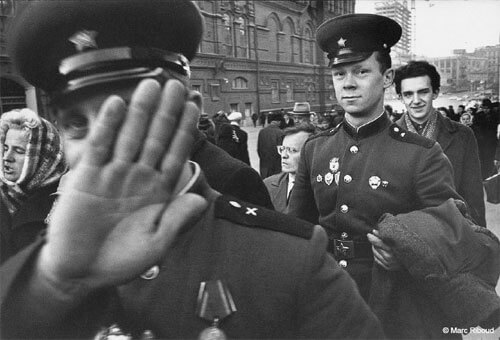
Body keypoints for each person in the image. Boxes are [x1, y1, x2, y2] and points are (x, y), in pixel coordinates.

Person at [0, 1, 384, 339]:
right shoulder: (44, 263)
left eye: (132, 112)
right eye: (78, 125)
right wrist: (51, 284)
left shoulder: (293, 261)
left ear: (188, 113)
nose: (105, 143)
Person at [289, 13, 464, 328]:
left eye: (361, 71)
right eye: (339, 74)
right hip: (329, 297)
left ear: (386, 78)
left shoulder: (421, 155)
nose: (349, 83)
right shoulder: (315, 149)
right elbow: (296, 228)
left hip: (394, 302)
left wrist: (408, 256)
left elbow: (452, 232)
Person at [394, 60, 486, 226]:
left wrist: (478, 242)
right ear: (400, 97)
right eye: (408, 94)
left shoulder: (463, 135)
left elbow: (474, 196)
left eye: (423, 92)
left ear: (435, 93)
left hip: (451, 233)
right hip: (404, 236)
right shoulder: (388, 137)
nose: (416, 100)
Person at [1, 108, 67, 263]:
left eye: (18, 151)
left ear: (43, 157)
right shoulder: (3, 195)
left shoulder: (62, 199)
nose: (7, 157)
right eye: (5, 148)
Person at [264, 123, 315, 213]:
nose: (284, 156)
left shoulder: (321, 188)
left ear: (311, 153)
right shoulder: (268, 185)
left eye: (292, 150)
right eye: (282, 149)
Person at [473, 98, 499, 179]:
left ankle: (490, 174)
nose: (486, 110)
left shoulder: (495, 115)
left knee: (491, 158)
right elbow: (476, 127)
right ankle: (484, 175)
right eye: (484, 108)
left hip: (492, 141)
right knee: (483, 159)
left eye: (487, 108)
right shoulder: (478, 115)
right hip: (482, 142)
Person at [257, 112, 284, 179]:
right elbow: (281, 151)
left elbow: (259, 149)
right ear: (278, 121)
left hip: (264, 165)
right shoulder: (280, 132)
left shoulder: (262, 132)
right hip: (276, 166)